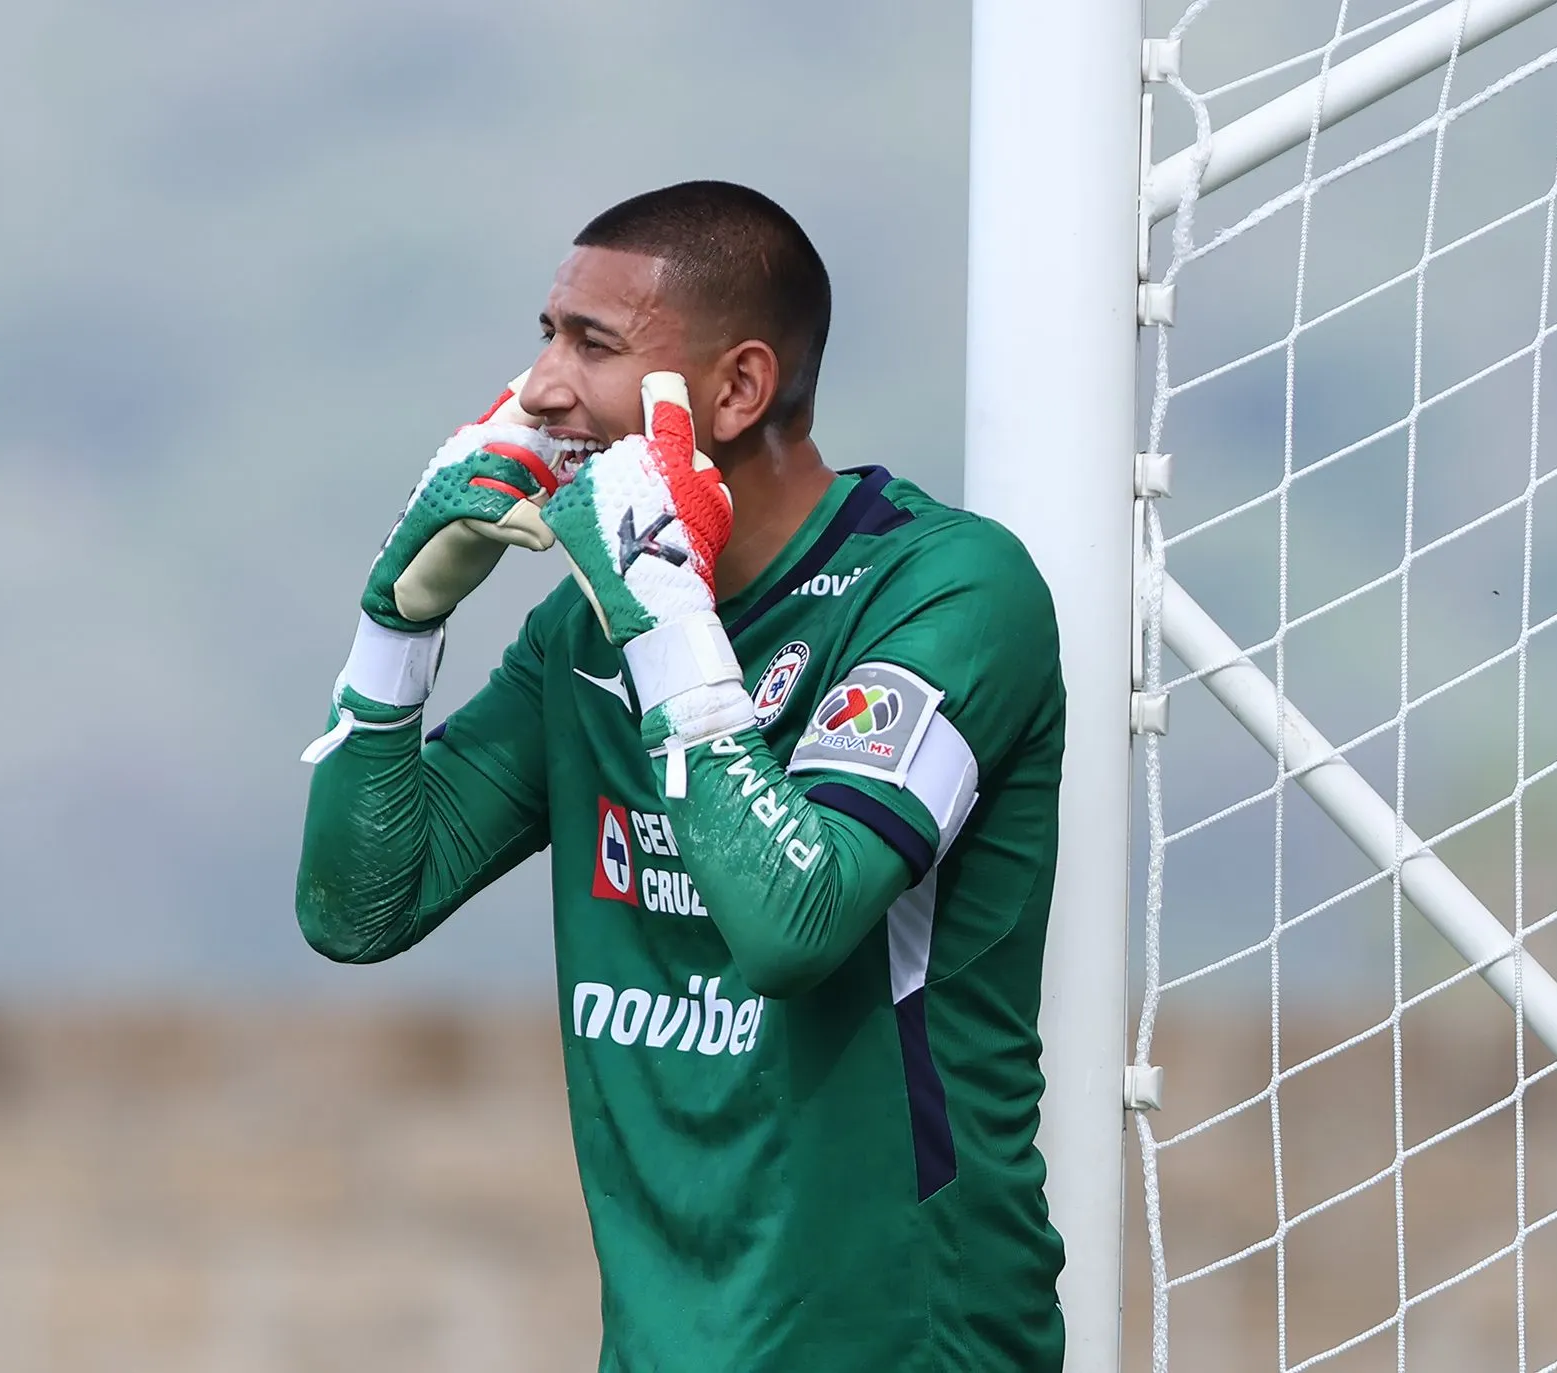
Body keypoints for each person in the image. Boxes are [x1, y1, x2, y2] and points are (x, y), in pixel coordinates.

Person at [297, 180, 1068, 1371]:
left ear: (737, 387)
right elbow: (358, 908)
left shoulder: (948, 591)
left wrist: (662, 609)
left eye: (591, 345)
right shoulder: (586, 631)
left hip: (905, 1345)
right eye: (545, 335)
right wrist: (397, 625)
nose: (542, 387)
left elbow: (791, 921)